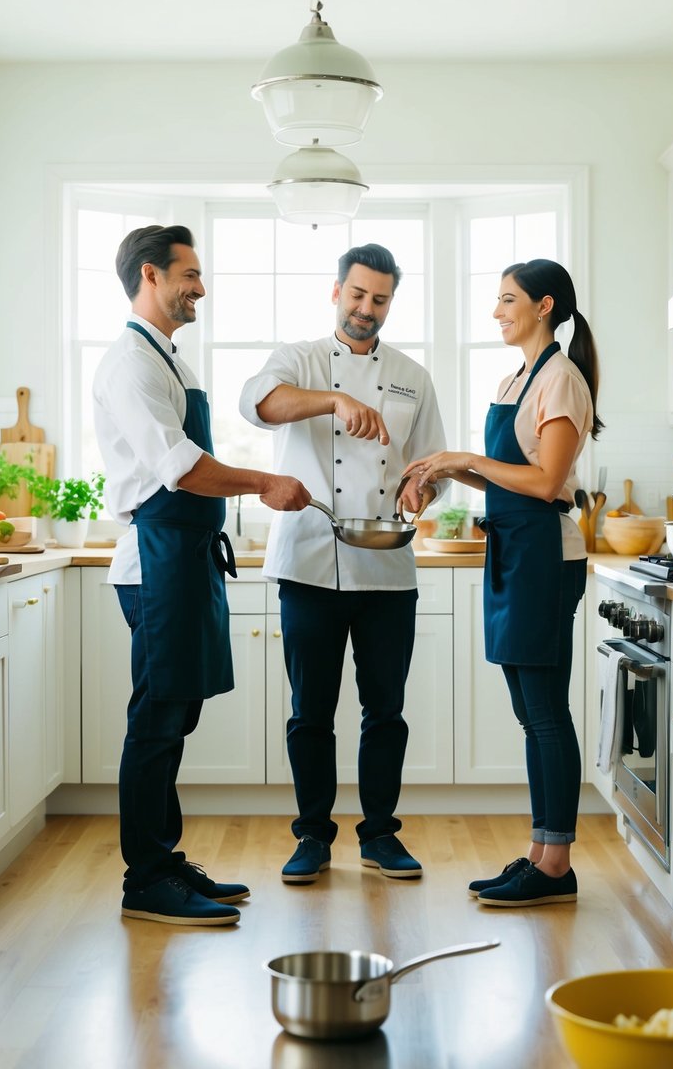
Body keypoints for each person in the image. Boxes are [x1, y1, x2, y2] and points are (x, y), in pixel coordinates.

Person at [93, 224, 310, 927]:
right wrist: (263, 482)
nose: (200, 287)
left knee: (175, 712)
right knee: (156, 717)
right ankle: (145, 880)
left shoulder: (166, 359)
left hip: (183, 556)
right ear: (150, 276)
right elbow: (179, 466)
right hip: (155, 561)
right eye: (188, 274)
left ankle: (163, 858)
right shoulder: (130, 363)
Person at [239, 243, 447, 884]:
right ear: (336, 292)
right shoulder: (298, 359)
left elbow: (432, 463)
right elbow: (257, 403)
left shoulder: (413, 375)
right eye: (357, 295)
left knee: (386, 710)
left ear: (391, 301)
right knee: (311, 710)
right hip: (307, 563)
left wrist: (422, 489)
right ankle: (312, 837)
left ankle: (380, 835)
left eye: (380, 299)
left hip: (387, 569)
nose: (367, 309)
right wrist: (332, 401)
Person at [404, 258, 602, 907]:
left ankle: (554, 867)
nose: (496, 310)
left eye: (506, 299)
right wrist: (443, 468)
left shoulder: (561, 380)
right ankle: (541, 855)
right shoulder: (515, 378)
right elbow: (503, 475)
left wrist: (465, 456)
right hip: (515, 554)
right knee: (530, 714)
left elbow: (545, 481)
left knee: (544, 715)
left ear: (543, 306)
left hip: (545, 557)